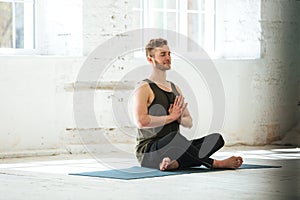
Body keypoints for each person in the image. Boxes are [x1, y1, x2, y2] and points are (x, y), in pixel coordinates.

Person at [133, 38, 243, 171]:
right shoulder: (144, 87)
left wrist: (179, 117)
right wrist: (171, 118)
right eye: (163, 54)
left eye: (169, 54)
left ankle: (175, 164)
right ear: (150, 59)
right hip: (149, 152)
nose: (168, 58)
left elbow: (188, 121)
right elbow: (141, 121)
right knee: (175, 138)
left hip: (175, 147)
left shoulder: (175, 88)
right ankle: (215, 164)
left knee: (216, 139)